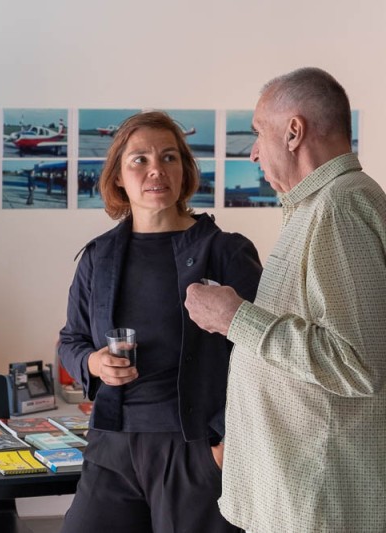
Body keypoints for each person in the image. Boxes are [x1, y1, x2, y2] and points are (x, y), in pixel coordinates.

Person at [185, 67, 386, 532]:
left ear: (293, 132)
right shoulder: (320, 207)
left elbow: (357, 364)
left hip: (319, 504)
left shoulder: (337, 210)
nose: (254, 151)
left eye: (259, 132)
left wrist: (235, 318)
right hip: (303, 497)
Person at [58, 111, 262, 533]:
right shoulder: (98, 257)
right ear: (117, 175)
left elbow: (260, 358)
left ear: (185, 170)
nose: (156, 170)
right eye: (140, 159)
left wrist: (222, 447)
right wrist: (93, 364)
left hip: (193, 450)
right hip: (111, 446)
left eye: (169, 157)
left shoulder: (225, 252)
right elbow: (71, 339)